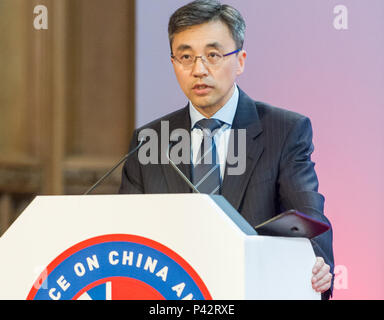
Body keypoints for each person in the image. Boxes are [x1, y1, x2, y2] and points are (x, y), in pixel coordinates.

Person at [119, 0, 334, 299]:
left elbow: (307, 219)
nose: (199, 69)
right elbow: (127, 236)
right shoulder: (150, 140)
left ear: (241, 60)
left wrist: (316, 266)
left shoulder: (284, 131)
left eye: (213, 55)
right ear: (173, 63)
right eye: (185, 56)